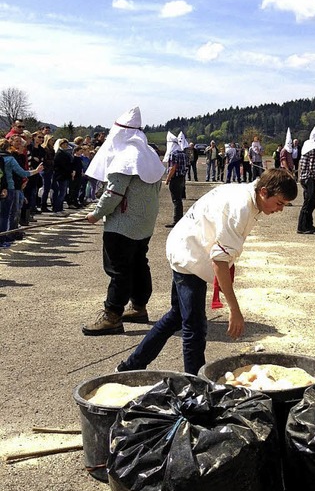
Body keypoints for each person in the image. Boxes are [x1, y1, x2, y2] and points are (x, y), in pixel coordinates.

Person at [116, 169, 298, 375]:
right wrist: (235, 310)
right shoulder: (240, 208)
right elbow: (219, 261)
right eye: (279, 203)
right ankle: (196, 387)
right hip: (189, 256)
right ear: (264, 192)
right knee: (194, 327)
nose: (280, 210)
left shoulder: (250, 195)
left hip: (188, 245)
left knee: (176, 316)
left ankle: (130, 366)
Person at [82, 107, 166, 336]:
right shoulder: (148, 153)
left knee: (118, 269)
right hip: (144, 224)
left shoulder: (125, 157)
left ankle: (112, 315)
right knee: (139, 264)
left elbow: (114, 193)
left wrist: (96, 214)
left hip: (122, 225)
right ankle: (139, 307)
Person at [297, 125, 315, 234]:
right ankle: (302, 226)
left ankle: (308, 224)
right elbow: (312, 166)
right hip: (309, 178)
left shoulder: (306, 145)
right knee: (309, 202)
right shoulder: (314, 149)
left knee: (311, 201)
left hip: (304, 177)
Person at [164, 131, 188, 228]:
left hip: (175, 179)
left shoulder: (173, 154)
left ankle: (176, 220)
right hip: (182, 178)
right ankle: (179, 218)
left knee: (176, 200)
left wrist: (167, 179)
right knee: (179, 200)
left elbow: (173, 168)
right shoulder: (183, 153)